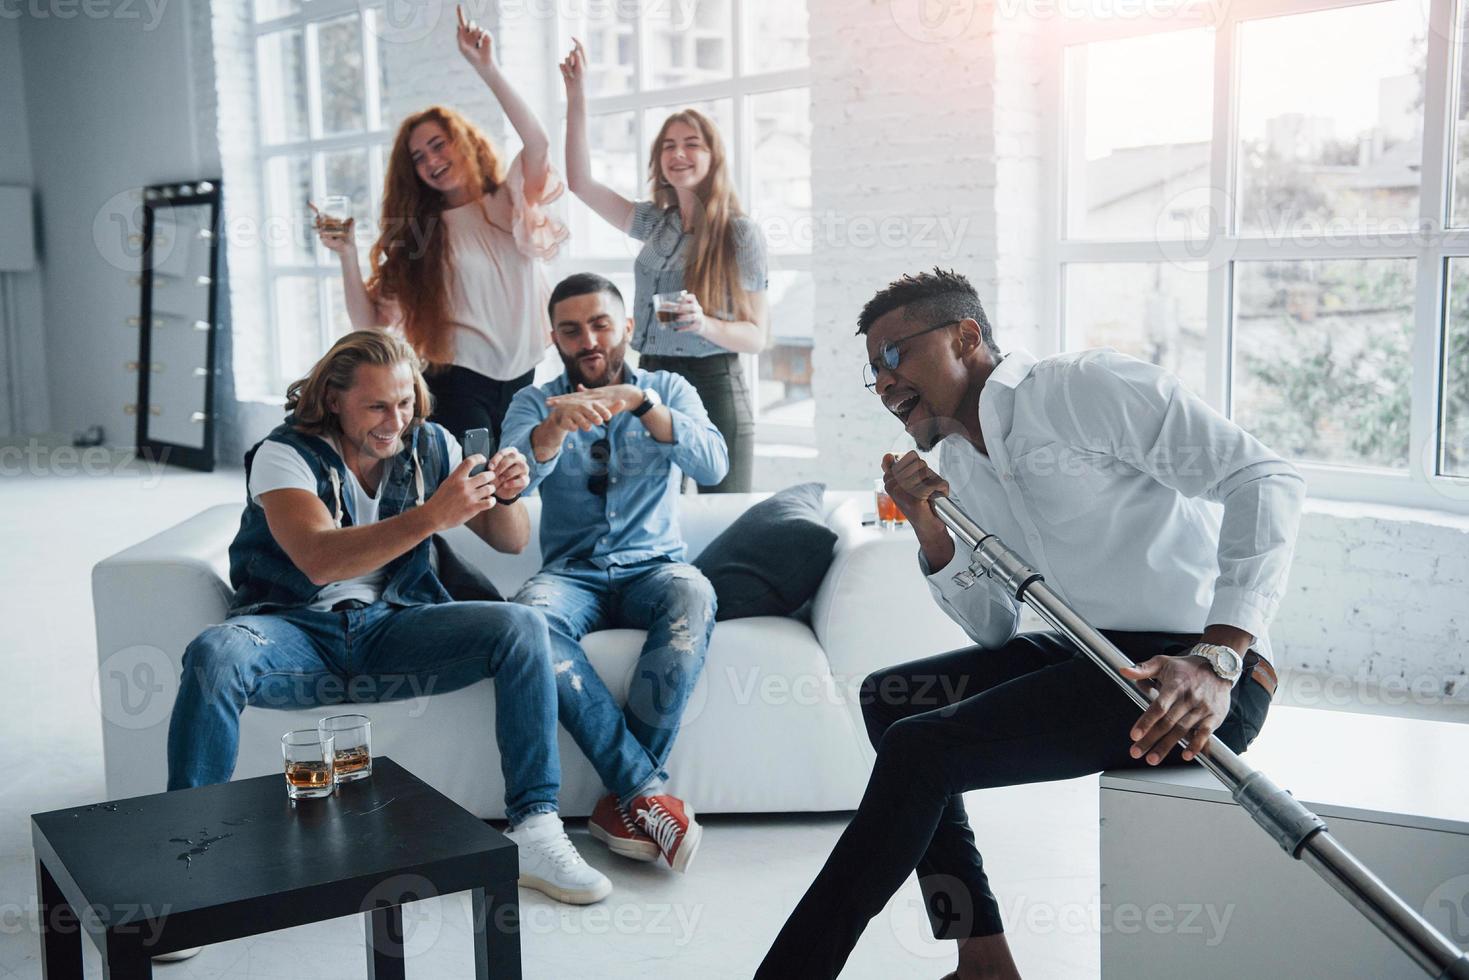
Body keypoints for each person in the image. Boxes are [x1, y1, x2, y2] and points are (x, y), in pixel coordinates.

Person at [757, 269, 1305, 980]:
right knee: (890, 699)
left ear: (965, 337)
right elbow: (991, 628)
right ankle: (981, 955)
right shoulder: (956, 466)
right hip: (1091, 655)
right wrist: (930, 528)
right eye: (873, 373)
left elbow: (1263, 477)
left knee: (922, 750)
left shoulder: (1080, 389)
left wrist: (1218, 657)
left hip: (1189, 674)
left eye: (894, 356)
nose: (885, 383)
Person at [166, 330, 611, 912]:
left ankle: (534, 829)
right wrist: (432, 516)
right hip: (296, 631)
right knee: (216, 653)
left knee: (522, 626)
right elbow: (319, 560)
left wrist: (506, 495)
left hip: (396, 626)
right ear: (333, 399)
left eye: (404, 403)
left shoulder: (432, 444)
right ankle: (189, 863)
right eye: (376, 405)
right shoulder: (284, 455)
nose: (393, 421)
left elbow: (511, 540)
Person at [501, 272, 727, 872]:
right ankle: (642, 794)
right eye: (572, 330)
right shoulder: (533, 401)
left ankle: (620, 802)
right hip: (570, 574)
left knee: (695, 596)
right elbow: (508, 485)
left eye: (601, 325)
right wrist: (551, 430)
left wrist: (643, 405)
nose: (589, 340)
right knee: (524, 622)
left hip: (655, 568)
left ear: (626, 327)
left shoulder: (668, 386)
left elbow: (715, 462)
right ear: (555, 338)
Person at [317, 5, 567, 445]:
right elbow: (373, 322)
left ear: (463, 142)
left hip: (524, 373)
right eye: (419, 157)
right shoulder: (421, 231)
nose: (432, 160)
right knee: (471, 487)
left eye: (438, 145)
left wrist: (486, 68)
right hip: (456, 381)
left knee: (514, 485)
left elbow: (539, 141)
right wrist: (347, 255)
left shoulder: (510, 200)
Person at [560, 38, 768, 493]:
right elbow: (579, 183)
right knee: (653, 511)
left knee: (722, 517)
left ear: (713, 158)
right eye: (669, 146)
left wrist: (703, 323)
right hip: (651, 376)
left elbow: (756, 336)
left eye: (692, 144)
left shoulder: (740, 234)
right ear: (658, 160)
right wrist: (578, 95)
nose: (679, 154)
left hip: (714, 383)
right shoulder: (654, 223)